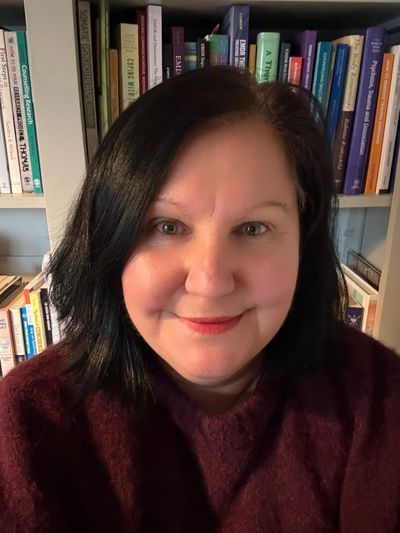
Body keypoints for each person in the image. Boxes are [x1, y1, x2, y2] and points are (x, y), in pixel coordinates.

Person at [0, 66, 399, 533]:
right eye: (167, 227)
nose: (210, 282)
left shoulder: (379, 402)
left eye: (253, 229)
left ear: (303, 242)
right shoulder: (31, 420)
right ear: (110, 239)